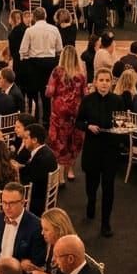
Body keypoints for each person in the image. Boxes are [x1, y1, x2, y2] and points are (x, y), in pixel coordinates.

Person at [76, 68, 126, 236]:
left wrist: (121, 130)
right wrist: (88, 126)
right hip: (92, 148)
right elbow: (78, 121)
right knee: (91, 184)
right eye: (101, 80)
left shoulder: (117, 100)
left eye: (107, 80)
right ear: (95, 82)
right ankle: (91, 201)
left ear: (111, 83)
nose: (104, 83)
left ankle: (106, 223)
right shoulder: (88, 100)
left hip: (110, 149)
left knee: (108, 187)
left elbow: (123, 121)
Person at [46, 47, 86, 179]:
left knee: (59, 142)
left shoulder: (57, 72)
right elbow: (85, 93)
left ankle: (61, 176)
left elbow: (49, 92)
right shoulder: (80, 75)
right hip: (75, 113)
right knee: (73, 142)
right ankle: (71, 171)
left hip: (59, 114)